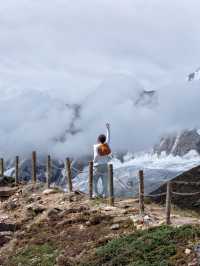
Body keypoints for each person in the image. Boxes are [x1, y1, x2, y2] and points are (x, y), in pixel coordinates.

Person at [93, 123, 112, 197]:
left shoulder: (96, 146)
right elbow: (108, 137)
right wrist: (108, 129)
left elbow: (96, 156)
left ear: (98, 139)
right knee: (105, 181)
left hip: (97, 166)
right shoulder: (106, 144)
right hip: (105, 165)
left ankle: (96, 194)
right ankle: (105, 194)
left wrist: (94, 162)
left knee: (94, 181)